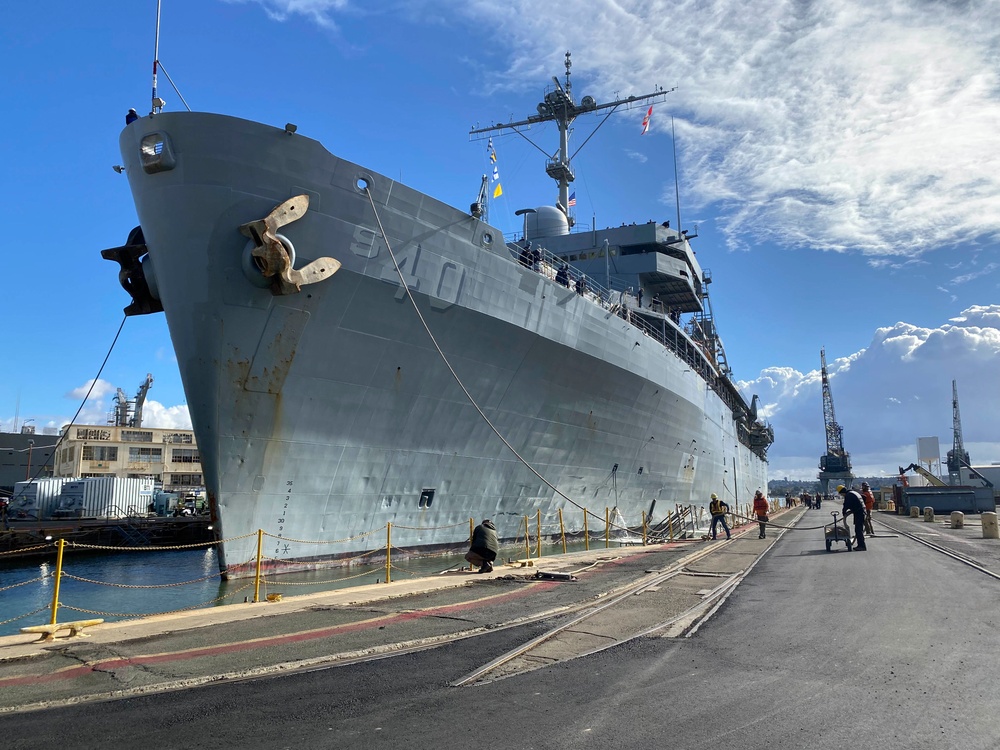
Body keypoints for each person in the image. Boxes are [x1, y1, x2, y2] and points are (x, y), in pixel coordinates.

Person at [838, 485, 867, 551]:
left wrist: (844, 513)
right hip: (861, 511)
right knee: (859, 529)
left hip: (859, 513)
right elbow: (864, 497)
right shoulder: (853, 492)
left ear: (842, 492)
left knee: (858, 530)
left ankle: (862, 546)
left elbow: (846, 505)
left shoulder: (848, 495)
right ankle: (860, 545)